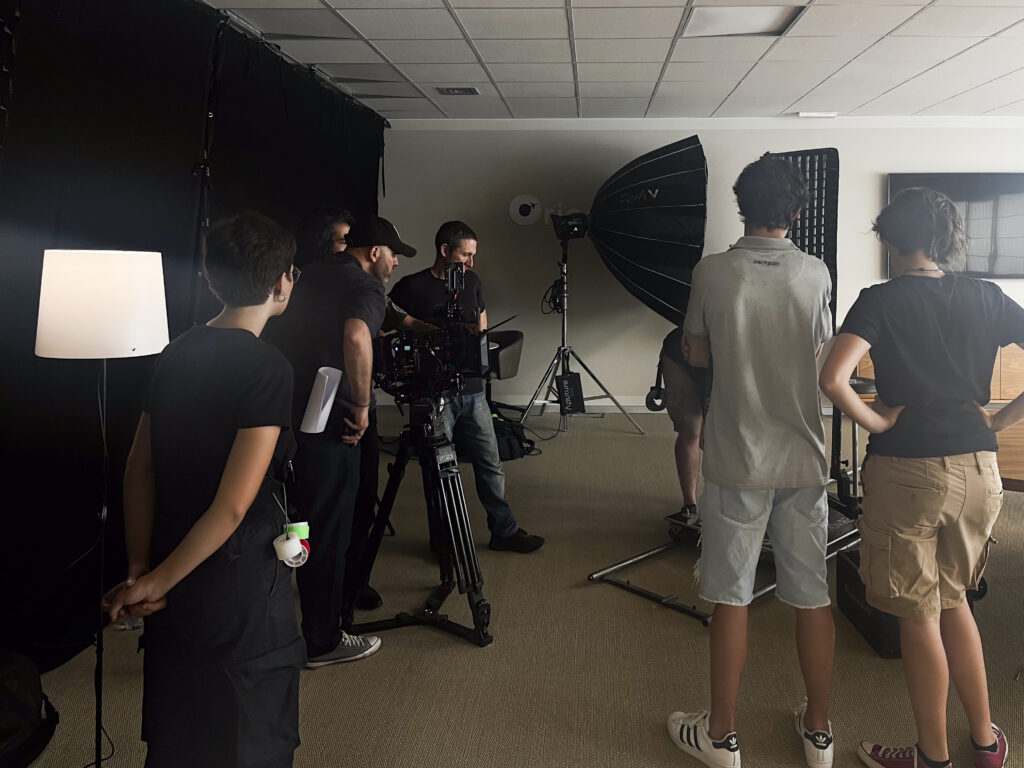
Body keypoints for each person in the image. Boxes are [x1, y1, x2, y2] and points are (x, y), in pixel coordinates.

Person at [820, 187, 1017, 768]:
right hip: (980, 470)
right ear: (945, 238)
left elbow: (832, 378)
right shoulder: (986, 295)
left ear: (890, 239)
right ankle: (985, 743)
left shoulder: (881, 300)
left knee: (919, 611)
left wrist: (878, 419)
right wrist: (997, 420)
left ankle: (932, 757)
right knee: (955, 600)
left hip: (908, 472)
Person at [103, 211, 305, 768]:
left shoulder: (177, 349)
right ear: (281, 281)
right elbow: (233, 506)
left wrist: (142, 568)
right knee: (247, 728)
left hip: (170, 554)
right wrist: (154, 582)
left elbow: (139, 468)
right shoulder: (268, 367)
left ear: (212, 277)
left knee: (180, 720)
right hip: (234, 578)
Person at [669, 154, 836, 768]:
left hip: (737, 455)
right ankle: (819, 733)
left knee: (732, 596)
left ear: (740, 206)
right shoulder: (815, 272)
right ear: (796, 210)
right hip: (803, 457)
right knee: (811, 595)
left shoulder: (712, 272)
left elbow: (697, 354)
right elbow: (819, 351)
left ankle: (721, 736)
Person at [265, 215, 414, 666]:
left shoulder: (307, 274)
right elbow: (355, 336)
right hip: (336, 421)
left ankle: (319, 611)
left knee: (303, 516)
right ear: (374, 252)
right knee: (330, 527)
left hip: (286, 409)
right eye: (393, 255)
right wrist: (364, 404)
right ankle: (323, 640)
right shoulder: (366, 287)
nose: (395, 264)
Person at [389, 220, 544, 553]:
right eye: (465, 254)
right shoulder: (411, 287)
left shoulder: (472, 281)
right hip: (434, 394)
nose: (471, 262)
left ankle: (504, 531)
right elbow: (386, 327)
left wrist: (478, 350)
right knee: (439, 470)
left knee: (491, 464)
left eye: (474, 255)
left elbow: (482, 320)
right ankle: (445, 541)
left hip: (473, 391)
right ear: (444, 250)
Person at [659, 326, 707, 519]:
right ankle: (690, 505)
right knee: (691, 430)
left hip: (729, 361)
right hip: (679, 356)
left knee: (720, 436)